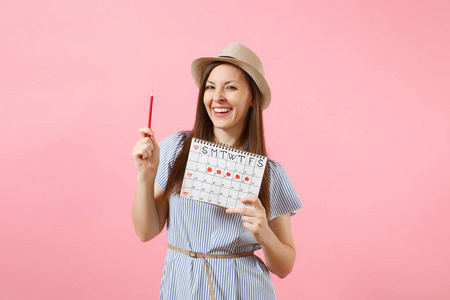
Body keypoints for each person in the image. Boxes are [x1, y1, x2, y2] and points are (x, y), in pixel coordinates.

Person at [132, 43, 303, 300]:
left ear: (252, 98)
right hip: (181, 285)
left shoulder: (271, 174)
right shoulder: (175, 148)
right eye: (210, 87)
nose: (218, 97)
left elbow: (285, 267)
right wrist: (145, 176)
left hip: (243, 289)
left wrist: (264, 234)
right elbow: (145, 232)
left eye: (231, 87)